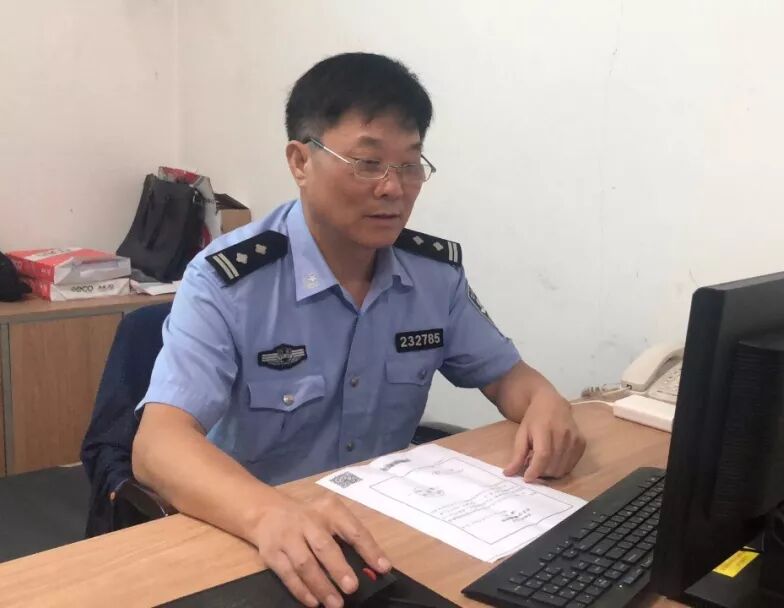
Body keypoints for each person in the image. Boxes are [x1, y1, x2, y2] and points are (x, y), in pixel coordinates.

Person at [131, 52, 586, 608]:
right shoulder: (229, 281)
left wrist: (544, 402)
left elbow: (508, 377)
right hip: (260, 538)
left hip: (388, 536)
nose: (394, 188)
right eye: (368, 163)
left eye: (411, 165)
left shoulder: (433, 276)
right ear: (300, 161)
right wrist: (270, 513)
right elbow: (158, 445)